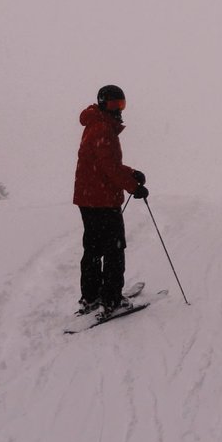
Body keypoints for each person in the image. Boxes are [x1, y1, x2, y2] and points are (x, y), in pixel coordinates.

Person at [72, 84, 148, 315]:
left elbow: (104, 163)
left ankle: (92, 296)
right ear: (104, 104)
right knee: (114, 249)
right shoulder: (103, 128)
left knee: (93, 249)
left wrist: (131, 173)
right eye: (114, 105)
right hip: (103, 200)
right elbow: (109, 166)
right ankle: (112, 299)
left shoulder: (94, 125)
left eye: (121, 104)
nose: (119, 110)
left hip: (88, 199)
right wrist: (134, 186)